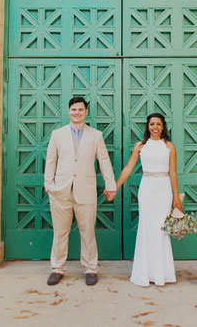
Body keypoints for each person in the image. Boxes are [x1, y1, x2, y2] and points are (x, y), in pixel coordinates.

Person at [43, 96, 117, 286]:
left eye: (81, 110)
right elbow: (51, 161)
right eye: (74, 109)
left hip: (86, 191)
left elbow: (104, 161)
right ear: (69, 111)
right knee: (60, 232)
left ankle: (90, 268)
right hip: (61, 192)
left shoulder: (96, 135)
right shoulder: (57, 135)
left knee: (88, 232)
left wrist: (111, 185)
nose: (77, 113)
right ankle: (57, 268)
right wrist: (49, 185)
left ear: (86, 112)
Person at [116, 113, 183, 287]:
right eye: (152, 124)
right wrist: (115, 187)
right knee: (147, 228)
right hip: (147, 188)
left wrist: (176, 197)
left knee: (161, 229)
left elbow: (173, 173)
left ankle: (162, 274)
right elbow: (128, 168)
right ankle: (144, 273)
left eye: (158, 124)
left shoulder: (169, 147)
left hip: (163, 189)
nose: (155, 127)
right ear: (148, 127)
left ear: (163, 127)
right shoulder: (140, 146)